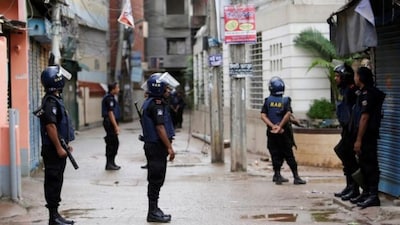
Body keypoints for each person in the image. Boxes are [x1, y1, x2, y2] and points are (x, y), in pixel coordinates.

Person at [38, 65, 75, 225]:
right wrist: (60, 148)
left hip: (57, 148)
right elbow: (50, 126)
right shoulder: (50, 103)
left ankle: (56, 215)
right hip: (53, 150)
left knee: (57, 181)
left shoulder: (54, 99)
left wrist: (65, 144)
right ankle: (53, 217)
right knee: (53, 181)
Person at [142, 73, 176, 222]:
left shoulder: (152, 102)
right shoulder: (156, 104)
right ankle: (152, 212)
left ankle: (155, 208)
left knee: (157, 179)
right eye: (166, 89)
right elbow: (160, 128)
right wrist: (169, 148)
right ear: (159, 89)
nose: (168, 91)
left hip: (154, 147)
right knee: (155, 179)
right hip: (156, 147)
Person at [261, 76, 306, 185]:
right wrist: (280, 127)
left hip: (272, 133)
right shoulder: (285, 100)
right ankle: (296, 177)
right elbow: (287, 114)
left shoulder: (267, 101)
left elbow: (263, 116)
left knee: (275, 154)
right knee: (289, 154)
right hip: (284, 133)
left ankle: (277, 175)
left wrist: (273, 126)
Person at [350, 66, 385, 209]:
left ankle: (373, 195)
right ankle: (367, 193)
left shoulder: (369, 94)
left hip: (367, 135)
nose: (355, 78)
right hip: (364, 134)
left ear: (360, 77)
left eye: (356, 75)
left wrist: (358, 140)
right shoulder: (362, 93)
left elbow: (364, 118)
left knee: (370, 165)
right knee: (364, 164)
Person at [332, 64, 360, 201]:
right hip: (346, 129)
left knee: (346, 155)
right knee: (344, 154)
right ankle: (349, 186)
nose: (335, 78)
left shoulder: (352, 92)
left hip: (352, 131)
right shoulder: (344, 91)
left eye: (338, 76)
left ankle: (354, 187)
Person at [101, 82, 121, 170]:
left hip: (111, 122)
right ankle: (109, 163)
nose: (118, 89)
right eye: (117, 87)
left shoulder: (112, 97)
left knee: (114, 143)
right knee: (112, 143)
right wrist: (115, 126)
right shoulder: (109, 98)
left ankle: (112, 162)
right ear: (113, 89)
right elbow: (110, 113)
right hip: (109, 123)